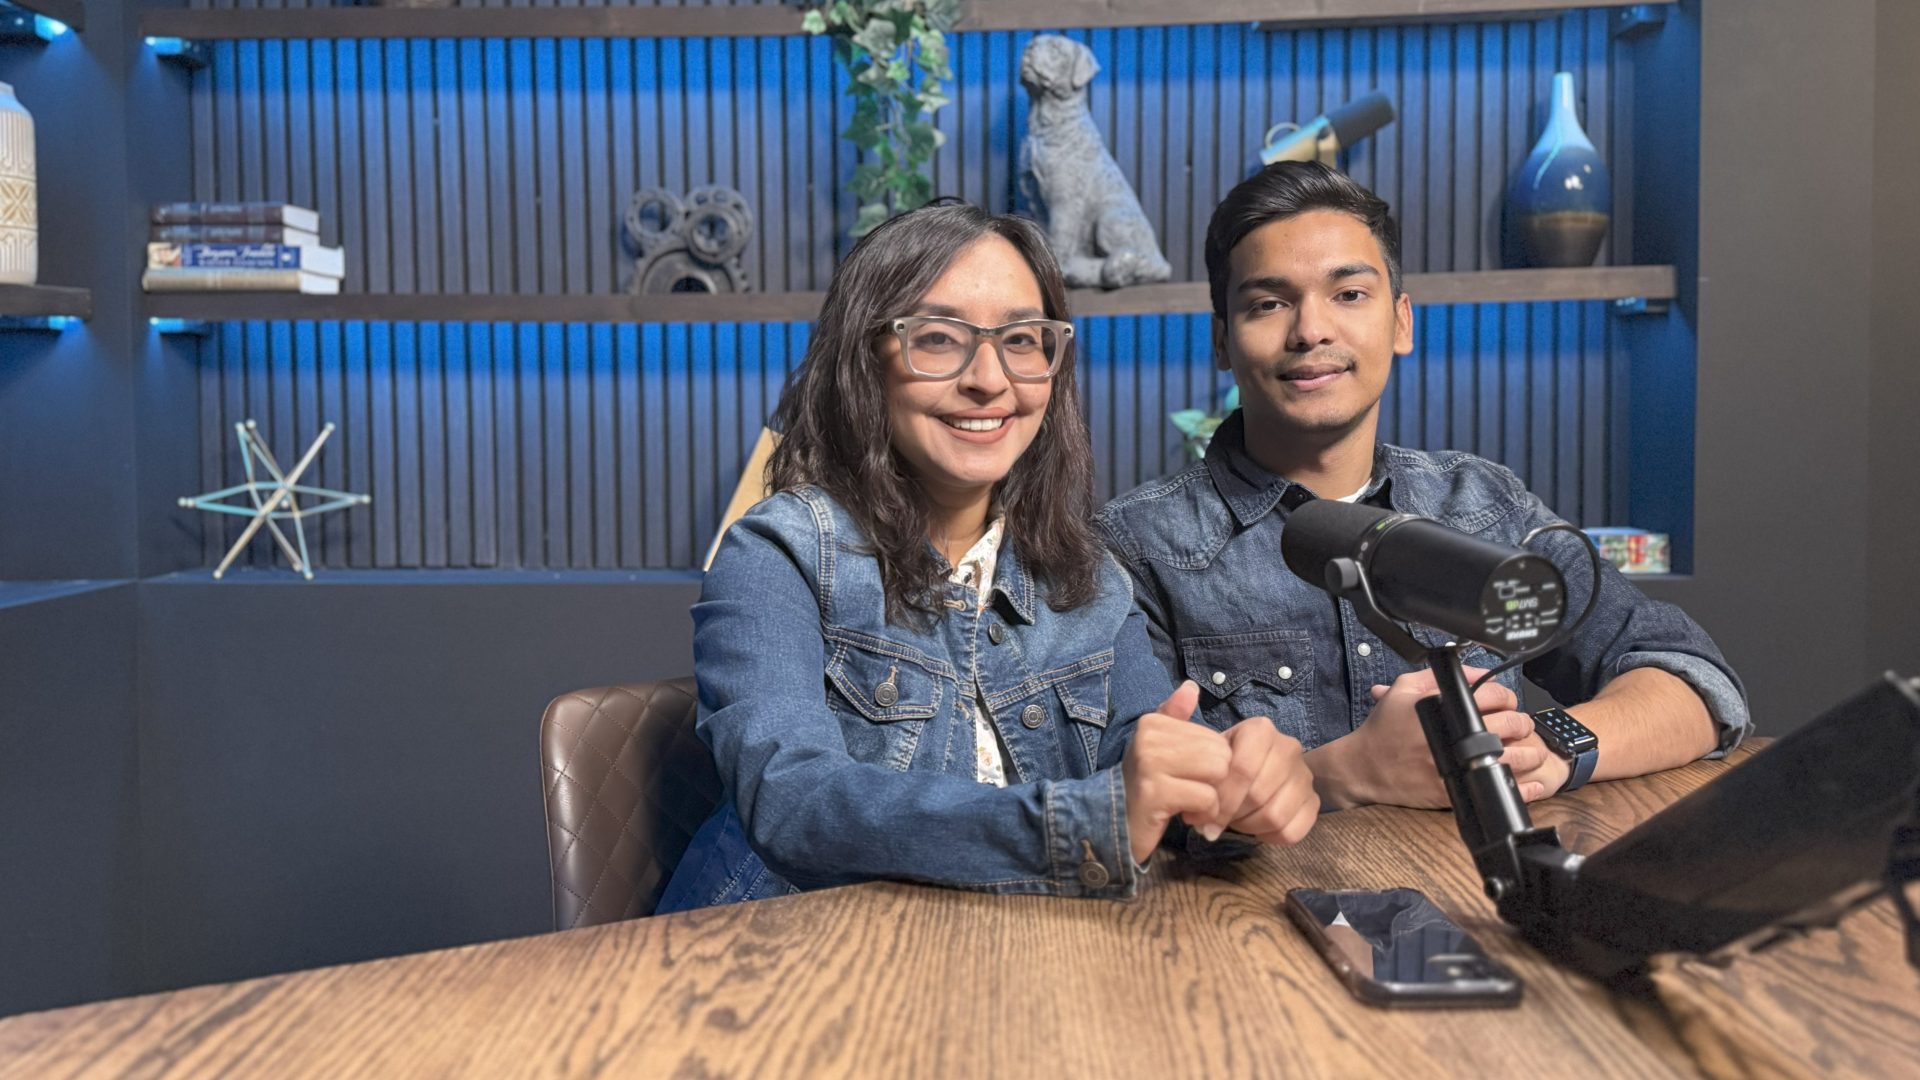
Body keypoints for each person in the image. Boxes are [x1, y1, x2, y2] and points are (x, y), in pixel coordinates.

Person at [656, 201, 1318, 913]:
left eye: (1022, 340)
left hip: (1019, 952)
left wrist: (1231, 789)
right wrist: (1086, 823)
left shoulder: (1088, 576)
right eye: (939, 338)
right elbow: (794, 800)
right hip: (787, 956)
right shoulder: (778, 551)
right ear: (864, 359)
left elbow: (1147, 756)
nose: (989, 379)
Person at [1094, 163, 1749, 812]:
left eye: (1349, 294)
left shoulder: (1484, 507)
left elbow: (1697, 683)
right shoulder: (1135, 549)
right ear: (1222, 341)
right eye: (1269, 303)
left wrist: (1550, 748)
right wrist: (1345, 774)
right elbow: (1131, 800)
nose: (1311, 330)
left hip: (1478, 879)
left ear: (1402, 322)